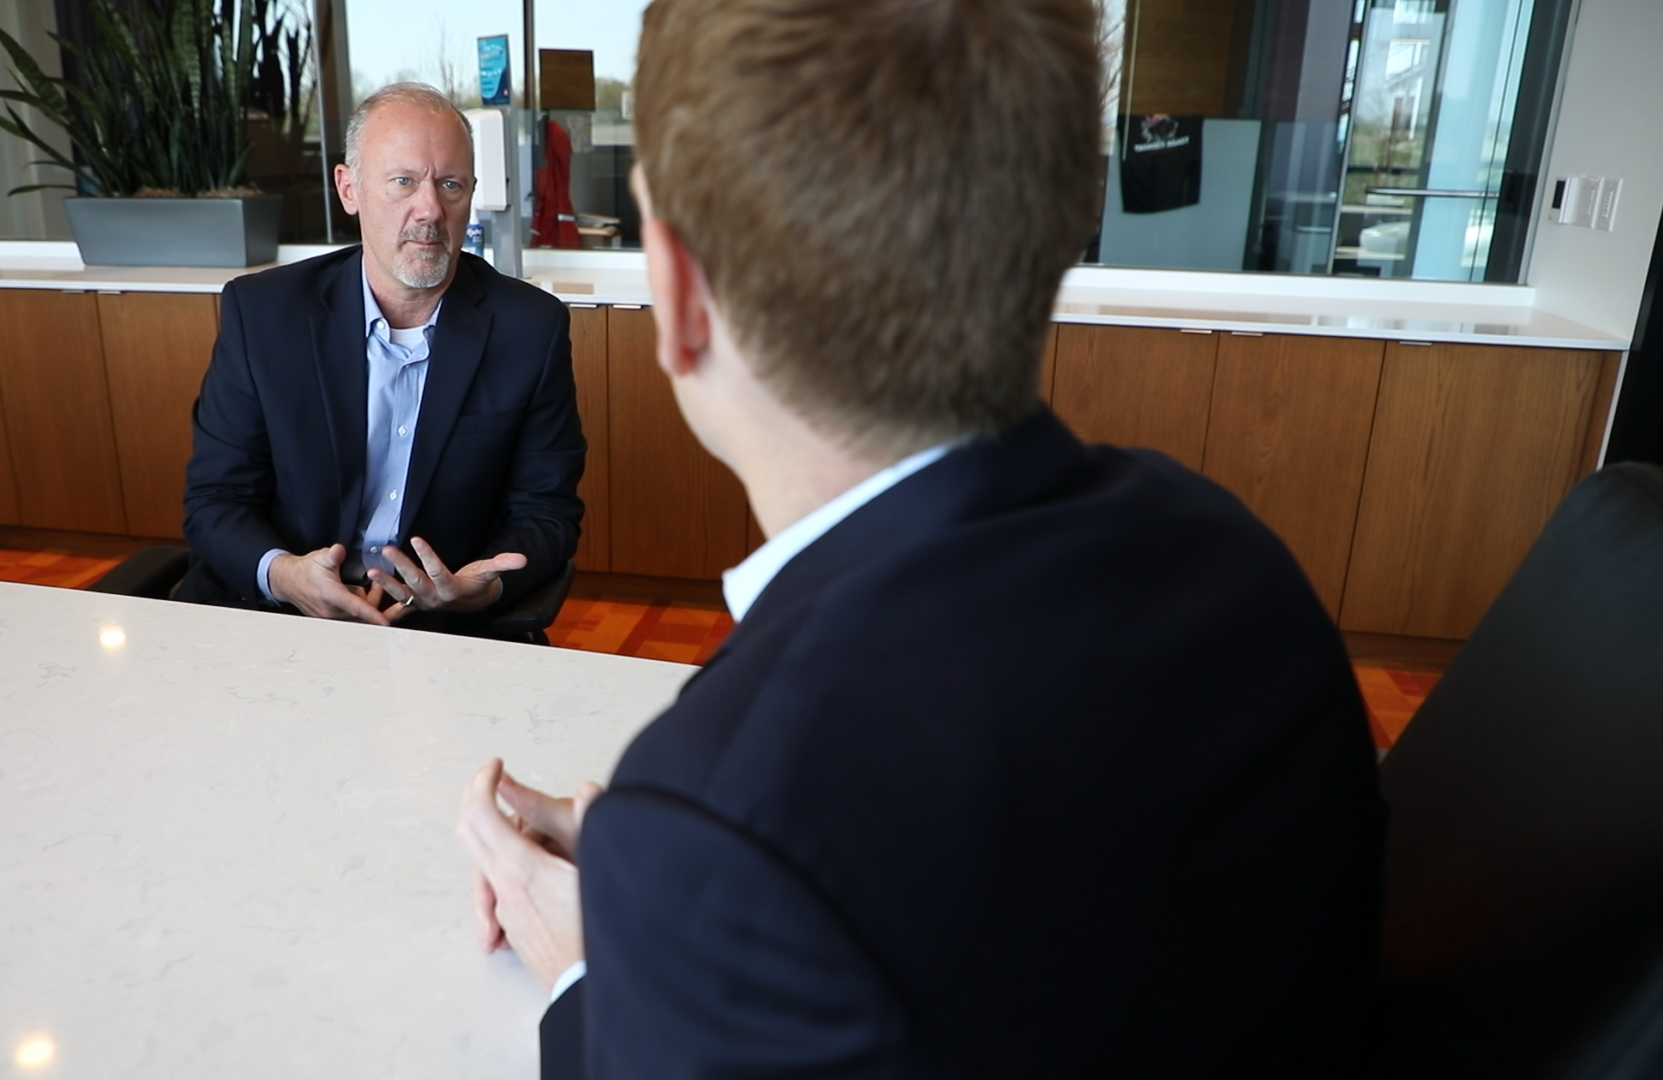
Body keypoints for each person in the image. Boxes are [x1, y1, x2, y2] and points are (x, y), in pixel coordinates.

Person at [457, 0, 1385, 1076]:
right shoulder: (1238, 562)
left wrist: (599, 969)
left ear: (677, 293)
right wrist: (674, 888)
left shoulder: (736, 812)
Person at [180, 84, 583, 630]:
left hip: (441, 626)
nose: (430, 209)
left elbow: (546, 512)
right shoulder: (264, 314)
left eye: (450, 184)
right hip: (279, 618)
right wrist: (283, 574)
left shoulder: (529, 328)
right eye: (403, 181)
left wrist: (480, 588)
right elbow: (216, 498)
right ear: (349, 189)